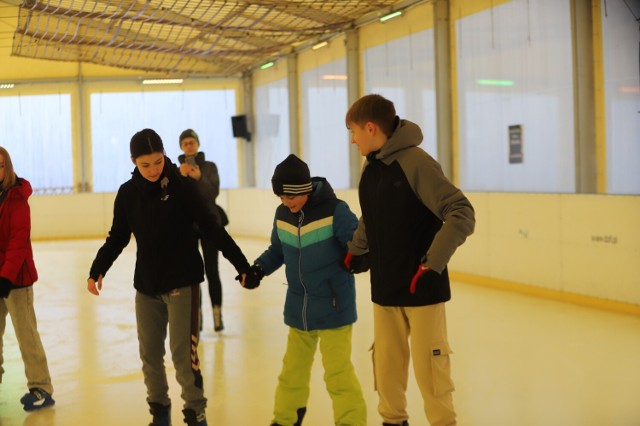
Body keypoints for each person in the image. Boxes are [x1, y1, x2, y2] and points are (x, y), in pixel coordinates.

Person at [86, 129, 260, 426]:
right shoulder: (128, 194)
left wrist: (242, 265)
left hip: (182, 282)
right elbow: (117, 237)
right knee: (150, 357)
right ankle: (160, 414)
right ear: (133, 162)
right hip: (147, 287)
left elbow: (211, 227)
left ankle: (196, 413)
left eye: (158, 161)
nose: (153, 170)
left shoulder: (181, 187)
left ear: (165, 154)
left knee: (183, 358)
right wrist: (97, 269)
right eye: (146, 165)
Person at [344, 94, 475, 426]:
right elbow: (370, 218)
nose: (352, 139)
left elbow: (461, 212)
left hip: (421, 288)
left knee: (431, 371)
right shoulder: (372, 167)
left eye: (354, 131)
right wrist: (356, 251)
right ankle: (393, 421)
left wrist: (433, 264)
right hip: (385, 289)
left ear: (371, 128)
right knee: (387, 369)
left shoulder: (416, 162)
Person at [243, 154, 367, 426]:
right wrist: (258, 269)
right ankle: (285, 419)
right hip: (300, 307)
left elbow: (356, 243)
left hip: (335, 307)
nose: (287, 203)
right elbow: (278, 250)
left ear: (304, 190)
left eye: (291, 197)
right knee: (292, 371)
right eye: (281, 198)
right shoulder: (283, 214)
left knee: (338, 374)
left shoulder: (335, 210)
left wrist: (360, 257)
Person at [0, 146, 55, 411]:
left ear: (7, 167)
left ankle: (41, 387)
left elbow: (18, 241)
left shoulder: (17, 198)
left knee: (26, 335)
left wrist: (5, 277)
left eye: (0, 165)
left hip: (16, 281)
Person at [177, 129, 228, 332]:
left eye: (192, 142)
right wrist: (181, 178)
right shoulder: (176, 169)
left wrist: (199, 178)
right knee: (192, 274)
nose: (189, 145)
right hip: (188, 226)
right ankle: (196, 317)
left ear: (197, 144)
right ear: (181, 146)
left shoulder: (209, 167)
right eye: (185, 143)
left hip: (209, 223)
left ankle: (217, 313)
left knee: (212, 270)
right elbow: (177, 198)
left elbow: (212, 193)